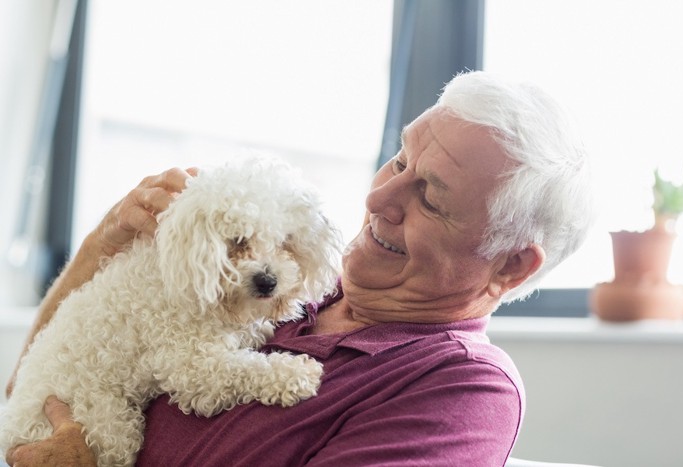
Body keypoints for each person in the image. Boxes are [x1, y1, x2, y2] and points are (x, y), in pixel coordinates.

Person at [4, 70, 594, 466]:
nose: (378, 200)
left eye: (431, 199)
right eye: (398, 160)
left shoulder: (461, 390)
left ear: (512, 265)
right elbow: (27, 388)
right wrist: (99, 249)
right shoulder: (287, 282)